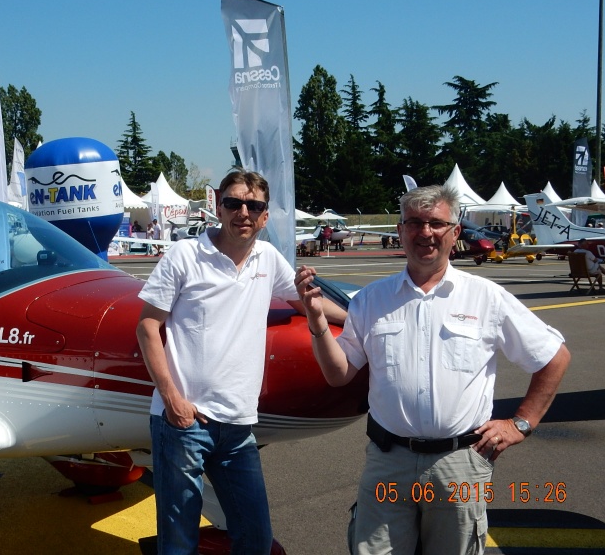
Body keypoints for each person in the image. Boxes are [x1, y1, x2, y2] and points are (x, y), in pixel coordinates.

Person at [295, 185, 571, 555]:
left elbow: (554, 356)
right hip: (389, 461)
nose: (425, 232)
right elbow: (339, 374)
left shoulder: (486, 296)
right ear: (400, 231)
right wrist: (317, 320)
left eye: (437, 224)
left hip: (460, 463)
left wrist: (521, 422)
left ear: (455, 233)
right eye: (414, 223)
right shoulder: (372, 299)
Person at [137, 169, 345, 554]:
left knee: (255, 538)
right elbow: (148, 326)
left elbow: (305, 302)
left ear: (265, 216)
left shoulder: (268, 258)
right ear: (219, 207)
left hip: (238, 425)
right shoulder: (185, 255)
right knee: (178, 542)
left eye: (254, 206)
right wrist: (172, 399)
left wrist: (356, 322)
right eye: (233, 203)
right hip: (184, 422)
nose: (243, 212)